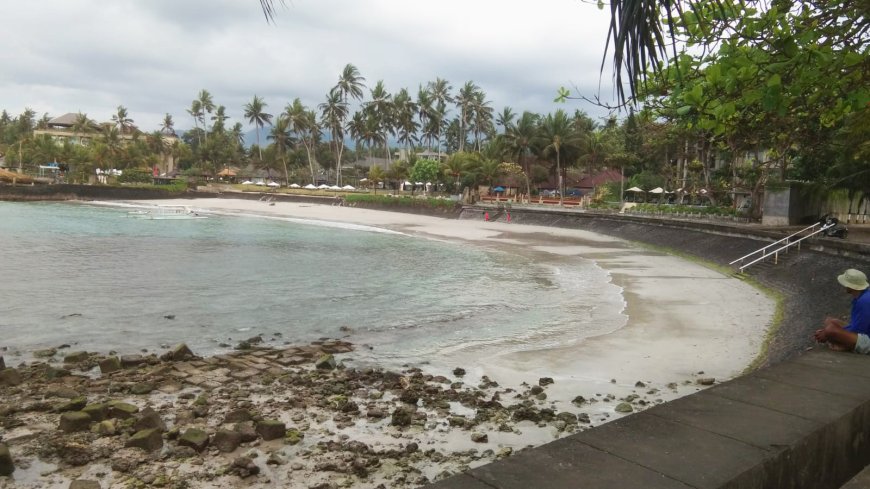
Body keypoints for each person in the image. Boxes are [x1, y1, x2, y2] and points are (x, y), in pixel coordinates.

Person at [814, 269, 870, 353]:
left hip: (866, 337)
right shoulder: (862, 297)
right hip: (864, 332)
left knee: (830, 330)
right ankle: (840, 343)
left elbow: (860, 332)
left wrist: (827, 334)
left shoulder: (864, 301)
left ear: (851, 286)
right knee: (830, 321)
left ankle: (845, 346)